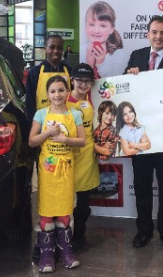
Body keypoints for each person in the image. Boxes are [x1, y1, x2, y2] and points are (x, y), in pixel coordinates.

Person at [124, 15, 163, 252]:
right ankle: (144, 230)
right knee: (141, 186)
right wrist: (128, 76)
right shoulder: (137, 57)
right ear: (147, 34)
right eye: (154, 32)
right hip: (140, 137)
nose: (158, 36)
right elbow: (125, 92)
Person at [29, 75, 85, 273]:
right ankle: (46, 254)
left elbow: (82, 141)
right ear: (47, 94)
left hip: (66, 169)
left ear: (67, 92)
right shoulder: (40, 114)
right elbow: (32, 141)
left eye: (61, 90)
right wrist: (47, 133)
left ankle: (66, 251)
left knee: (63, 211)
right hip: (47, 171)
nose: (57, 95)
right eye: (53, 91)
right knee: (46, 212)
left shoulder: (75, 114)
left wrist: (64, 139)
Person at [65, 63, 100, 251]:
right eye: (79, 80)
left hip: (87, 155)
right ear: (72, 80)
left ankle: (79, 234)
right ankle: (61, 236)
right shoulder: (62, 99)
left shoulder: (93, 100)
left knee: (84, 201)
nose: (83, 84)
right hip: (67, 155)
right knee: (63, 199)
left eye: (87, 81)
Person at [25, 35, 71, 128]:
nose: (56, 51)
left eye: (59, 48)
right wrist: (34, 125)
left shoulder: (70, 71)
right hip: (42, 123)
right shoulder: (35, 72)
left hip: (66, 123)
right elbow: (30, 102)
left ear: (62, 50)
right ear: (45, 49)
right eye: (52, 47)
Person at [84, 1, 128, 78]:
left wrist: (101, 63)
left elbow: (115, 82)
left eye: (103, 26)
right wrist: (89, 65)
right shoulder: (82, 51)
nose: (96, 31)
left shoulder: (118, 54)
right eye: (91, 24)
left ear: (111, 29)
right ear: (86, 26)